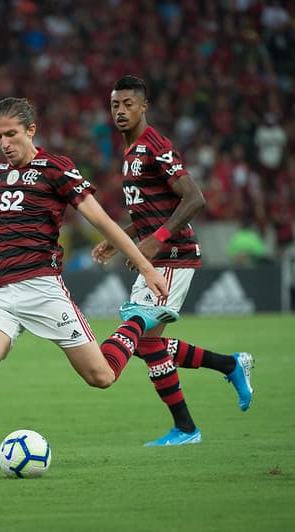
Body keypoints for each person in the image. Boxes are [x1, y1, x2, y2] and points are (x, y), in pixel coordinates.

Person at [0, 97, 177, 478]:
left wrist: (146, 266)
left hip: (42, 288)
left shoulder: (56, 168)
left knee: (101, 377)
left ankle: (136, 319)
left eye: (11, 134)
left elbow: (101, 220)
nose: (4, 143)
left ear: (31, 131)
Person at [92, 76, 255, 446]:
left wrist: (156, 241)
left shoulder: (156, 145)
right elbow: (150, 211)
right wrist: (121, 241)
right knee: (147, 345)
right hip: (158, 256)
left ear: (144, 106)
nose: (120, 111)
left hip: (174, 256)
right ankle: (226, 371)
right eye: (115, 105)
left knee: (137, 328)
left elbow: (194, 198)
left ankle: (186, 424)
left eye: (128, 104)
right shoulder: (130, 151)